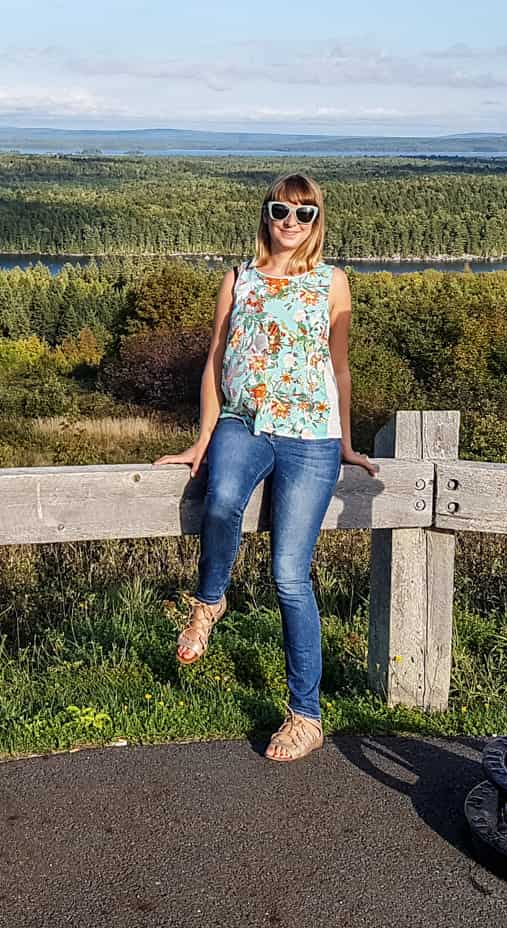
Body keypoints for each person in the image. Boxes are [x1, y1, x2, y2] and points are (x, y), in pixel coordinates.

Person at [154, 172, 379, 762]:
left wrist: (348, 442)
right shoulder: (238, 279)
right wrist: (201, 437)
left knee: (289, 576)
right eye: (281, 210)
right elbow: (215, 360)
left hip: (312, 438)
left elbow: (340, 366)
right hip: (243, 423)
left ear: (316, 222)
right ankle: (208, 602)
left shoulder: (332, 282)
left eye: (304, 214)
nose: (290, 222)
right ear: (267, 215)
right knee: (222, 499)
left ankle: (306, 716)